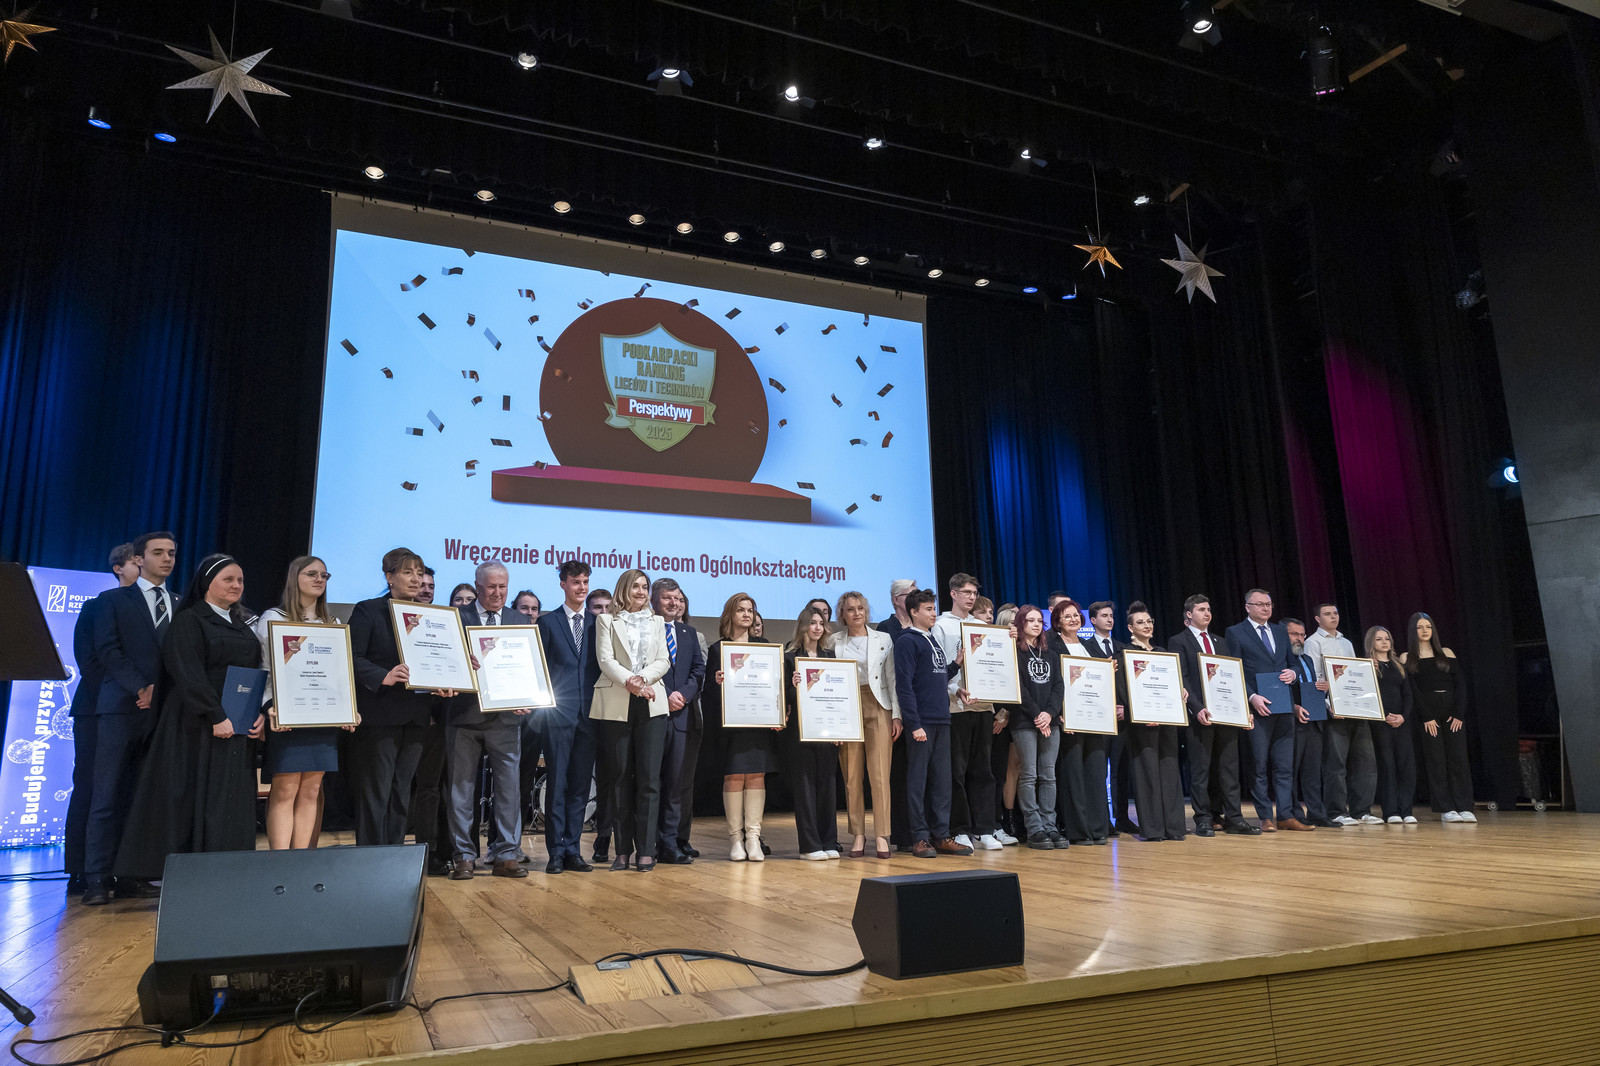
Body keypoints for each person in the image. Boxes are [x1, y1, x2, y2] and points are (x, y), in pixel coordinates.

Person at [115, 555, 266, 881]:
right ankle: (192, 876)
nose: (236, 586)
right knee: (194, 799)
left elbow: (253, 676)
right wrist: (215, 715)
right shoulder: (190, 620)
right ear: (207, 582)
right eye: (228, 579)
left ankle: (229, 872)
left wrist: (257, 716)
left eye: (240, 580)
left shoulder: (242, 626)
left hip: (236, 727)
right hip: (195, 726)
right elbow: (188, 673)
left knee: (230, 799)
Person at [82, 530, 178, 905]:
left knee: (142, 798)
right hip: (121, 708)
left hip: (162, 714)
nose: (167, 559)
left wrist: (162, 693)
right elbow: (108, 650)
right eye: (158, 552)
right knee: (105, 795)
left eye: (171, 553)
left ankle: (130, 874)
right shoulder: (112, 600)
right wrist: (142, 687)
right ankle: (96, 878)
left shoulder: (180, 603)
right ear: (139, 559)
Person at [348, 548, 454, 849]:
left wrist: (450, 675)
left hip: (416, 715)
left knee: (401, 789)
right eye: (408, 572)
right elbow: (350, 656)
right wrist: (382, 675)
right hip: (380, 715)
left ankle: (394, 855)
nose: (416, 579)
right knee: (376, 791)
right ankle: (370, 856)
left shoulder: (429, 616)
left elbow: (437, 659)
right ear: (389, 577)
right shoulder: (369, 610)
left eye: (419, 573)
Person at [257, 556, 353, 851]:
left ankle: (301, 860)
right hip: (287, 714)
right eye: (312, 574)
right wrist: (269, 707)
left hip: (322, 717)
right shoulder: (274, 618)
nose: (319, 579)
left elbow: (340, 674)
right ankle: (280, 861)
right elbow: (265, 670)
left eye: (324, 575)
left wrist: (348, 707)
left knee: (311, 790)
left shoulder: (333, 624)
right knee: (285, 789)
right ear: (294, 577)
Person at [443, 562, 528, 880]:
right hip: (463, 715)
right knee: (461, 789)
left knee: (509, 788)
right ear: (477, 586)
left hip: (506, 717)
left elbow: (528, 665)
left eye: (503, 586)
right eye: (491, 586)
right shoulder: (455, 618)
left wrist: (527, 697)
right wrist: (459, 661)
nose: (497, 593)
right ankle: (463, 856)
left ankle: (506, 854)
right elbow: (441, 660)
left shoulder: (520, 620)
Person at [65, 542, 139, 897]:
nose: (142, 566)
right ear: (118, 568)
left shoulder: (157, 609)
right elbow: (89, 660)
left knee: (128, 790)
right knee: (91, 788)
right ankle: (80, 869)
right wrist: (127, 690)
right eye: (135, 561)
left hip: (139, 710)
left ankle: (123, 870)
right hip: (97, 709)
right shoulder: (97, 606)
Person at [590, 569, 671, 872]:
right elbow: (605, 660)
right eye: (635, 586)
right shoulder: (606, 620)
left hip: (651, 701)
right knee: (620, 777)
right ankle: (622, 850)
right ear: (624, 589)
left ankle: (646, 850)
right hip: (616, 702)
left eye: (645, 586)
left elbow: (663, 660)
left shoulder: (658, 622)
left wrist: (643, 679)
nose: (641, 591)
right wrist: (631, 682)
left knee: (649, 780)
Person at [1168, 594, 1258, 837]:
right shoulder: (1178, 641)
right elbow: (1182, 678)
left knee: (1229, 769)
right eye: (1201, 609)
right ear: (1189, 614)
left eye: (1208, 609)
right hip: (1201, 715)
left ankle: (1235, 818)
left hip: (1226, 715)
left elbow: (1232, 677)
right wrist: (1197, 707)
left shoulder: (1220, 641)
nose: (1207, 613)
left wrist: (1244, 711)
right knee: (1201, 771)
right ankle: (1203, 819)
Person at [1224, 589, 1313, 832]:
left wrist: (1293, 673)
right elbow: (1234, 670)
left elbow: (1293, 663)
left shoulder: (1280, 631)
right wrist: (1251, 697)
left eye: (1269, 604)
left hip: (1283, 706)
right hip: (1257, 708)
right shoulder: (1235, 632)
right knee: (1259, 765)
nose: (1265, 608)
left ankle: (1285, 815)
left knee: (1284, 766)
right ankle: (1265, 817)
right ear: (1248, 607)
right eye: (1260, 604)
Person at [535, 560, 602, 873]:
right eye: (576, 582)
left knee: (580, 786)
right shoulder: (547, 623)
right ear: (563, 584)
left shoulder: (599, 624)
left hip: (590, 715)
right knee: (558, 784)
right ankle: (556, 852)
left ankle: (574, 850)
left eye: (585, 582)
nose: (582, 588)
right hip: (558, 715)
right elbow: (540, 668)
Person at [894, 588, 969, 858]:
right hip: (922, 721)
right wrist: (914, 724)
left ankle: (941, 835)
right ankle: (919, 837)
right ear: (914, 612)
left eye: (934, 608)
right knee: (918, 781)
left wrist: (955, 665)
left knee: (941, 781)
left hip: (942, 719)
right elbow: (904, 686)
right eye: (928, 609)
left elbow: (936, 676)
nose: (933, 613)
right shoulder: (907, 641)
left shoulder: (932, 639)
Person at [931, 573, 1001, 850]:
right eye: (967, 592)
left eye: (974, 593)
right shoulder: (941, 626)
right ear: (953, 594)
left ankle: (984, 829)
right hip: (955, 706)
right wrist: (954, 689)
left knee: (983, 769)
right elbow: (938, 668)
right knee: (956, 771)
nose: (972, 597)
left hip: (983, 705)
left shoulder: (982, 626)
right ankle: (959, 829)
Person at [705, 592, 777, 861]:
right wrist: (716, 682)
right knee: (734, 777)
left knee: (757, 775)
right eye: (741, 610)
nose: (747, 614)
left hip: (758, 721)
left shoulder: (765, 646)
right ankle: (735, 839)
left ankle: (754, 838)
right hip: (731, 724)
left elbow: (774, 684)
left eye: (750, 610)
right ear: (730, 615)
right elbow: (707, 694)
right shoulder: (718, 649)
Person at [830, 590, 900, 859]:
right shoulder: (834, 641)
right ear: (842, 614)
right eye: (850, 609)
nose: (856, 613)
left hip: (879, 705)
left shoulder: (883, 639)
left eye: (860, 608)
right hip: (847, 706)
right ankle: (858, 833)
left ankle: (882, 834)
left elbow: (892, 679)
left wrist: (897, 715)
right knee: (851, 776)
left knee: (880, 775)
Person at [1306, 604, 1378, 826]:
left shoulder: (1346, 642)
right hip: (1333, 710)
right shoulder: (1313, 642)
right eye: (1327, 614)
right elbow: (1315, 678)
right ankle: (1337, 811)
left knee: (1365, 762)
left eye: (1335, 613)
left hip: (1356, 708)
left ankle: (1362, 810)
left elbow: (1352, 674)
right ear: (1317, 619)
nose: (1333, 617)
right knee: (1335, 764)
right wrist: (1329, 705)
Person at [1401, 613, 1474, 823]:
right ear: (1413, 631)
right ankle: (1446, 808)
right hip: (1428, 715)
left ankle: (1464, 806)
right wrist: (1426, 716)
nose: (1425, 631)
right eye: (1419, 627)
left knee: (1458, 759)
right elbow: (1413, 690)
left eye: (1428, 626)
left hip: (1452, 712)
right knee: (1436, 761)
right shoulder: (1407, 657)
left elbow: (1460, 685)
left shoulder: (1446, 653)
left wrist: (1458, 713)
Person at [1121, 602, 1185, 841]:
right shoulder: (1125, 654)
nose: (1147, 626)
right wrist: (1139, 712)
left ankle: (1174, 827)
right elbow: (1123, 690)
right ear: (1130, 628)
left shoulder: (1163, 653)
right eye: (1140, 622)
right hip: (1142, 722)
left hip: (1167, 719)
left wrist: (1181, 691)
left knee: (1169, 769)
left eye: (1149, 621)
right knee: (1146, 772)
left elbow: (1173, 683)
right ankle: (1153, 829)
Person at [652, 578, 705, 864]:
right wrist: (664, 695)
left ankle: (670, 844)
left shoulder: (688, 633)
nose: (673, 603)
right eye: (667, 598)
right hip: (652, 715)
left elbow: (698, 670)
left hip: (681, 717)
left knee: (675, 785)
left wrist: (682, 695)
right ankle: (647, 844)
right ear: (654, 600)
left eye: (677, 598)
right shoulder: (646, 629)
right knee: (650, 784)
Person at [784, 608, 843, 860]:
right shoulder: (789, 657)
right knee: (805, 788)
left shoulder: (830, 656)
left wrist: (841, 727)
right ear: (803, 626)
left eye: (821, 623)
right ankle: (809, 846)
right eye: (812, 623)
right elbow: (784, 697)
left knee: (828, 786)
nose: (817, 627)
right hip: (800, 731)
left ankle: (829, 841)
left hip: (827, 730)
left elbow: (838, 695)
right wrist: (793, 685)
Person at [1049, 599, 1107, 845]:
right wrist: (1059, 713)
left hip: (1094, 718)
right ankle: (1079, 830)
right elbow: (1052, 684)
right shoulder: (1051, 645)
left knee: (1095, 773)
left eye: (1075, 615)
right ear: (1057, 622)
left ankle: (1098, 828)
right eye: (1067, 616)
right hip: (1069, 718)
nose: (1073, 619)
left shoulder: (1090, 647)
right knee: (1073, 775)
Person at [1010, 605, 1065, 850]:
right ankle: (1034, 828)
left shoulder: (1050, 654)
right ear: (1020, 623)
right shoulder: (1015, 652)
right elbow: (1018, 688)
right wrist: (1037, 715)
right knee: (1029, 774)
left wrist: (1049, 713)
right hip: (1025, 721)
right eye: (1030, 620)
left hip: (1050, 721)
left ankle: (1050, 825)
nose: (1035, 624)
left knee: (1048, 775)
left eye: (1039, 620)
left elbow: (1058, 687)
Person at [1086, 601, 1137, 836]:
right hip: (1098, 716)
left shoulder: (1123, 648)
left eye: (1111, 616)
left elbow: (1131, 684)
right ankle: (1101, 819)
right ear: (1093, 620)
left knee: (1120, 769)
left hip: (1122, 718)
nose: (1109, 619)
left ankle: (1122, 818)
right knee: (1098, 770)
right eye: (1104, 616)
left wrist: (1127, 708)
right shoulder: (1085, 647)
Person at [1284, 619, 1335, 828]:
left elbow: (1310, 686)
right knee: (1291, 770)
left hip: (1314, 719)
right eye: (1294, 634)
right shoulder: (1281, 660)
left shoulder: (1306, 659)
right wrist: (1293, 707)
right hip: (1293, 721)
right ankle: (1295, 813)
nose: (1299, 639)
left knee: (1313, 771)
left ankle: (1317, 813)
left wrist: (1323, 689)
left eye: (1302, 635)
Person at [1367, 625, 1417, 825]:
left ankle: (1407, 810)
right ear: (1371, 642)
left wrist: (1403, 716)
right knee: (1387, 766)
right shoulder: (1369, 665)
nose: (1384, 642)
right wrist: (1384, 716)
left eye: (1387, 638)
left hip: (1401, 723)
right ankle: (1390, 811)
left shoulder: (1399, 665)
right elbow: (1367, 695)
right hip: (1381, 723)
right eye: (1379, 639)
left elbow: (1408, 695)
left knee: (1406, 766)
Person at [877, 578, 917, 643]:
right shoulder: (885, 627)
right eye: (910, 595)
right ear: (896, 600)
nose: (915, 599)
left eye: (916, 595)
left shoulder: (922, 625)